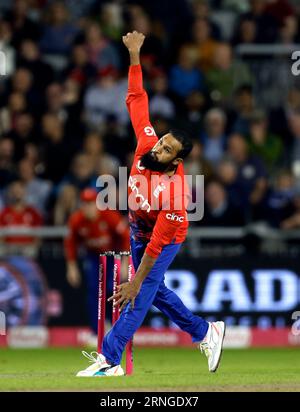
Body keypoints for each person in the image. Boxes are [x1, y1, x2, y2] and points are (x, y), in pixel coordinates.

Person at [77, 31, 225, 377]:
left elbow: (156, 248)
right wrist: (133, 55)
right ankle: (206, 332)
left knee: (140, 292)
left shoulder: (176, 194)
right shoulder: (147, 145)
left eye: (166, 149)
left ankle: (110, 359)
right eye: (162, 142)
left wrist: (134, 281)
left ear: (176, 162)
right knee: (154, 291)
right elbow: (136, 99)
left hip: (164, 238)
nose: (158, 148)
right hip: (137, 227)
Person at [64, 188, 130, 335]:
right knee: (94, 291)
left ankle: (118, 329)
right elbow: (70, 243)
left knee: (114, 289)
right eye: (85, 204)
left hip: (114, 255)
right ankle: (97, 331)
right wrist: (71, 267)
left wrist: (125, 263)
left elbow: (126, 237)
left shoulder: (110, 215)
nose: (88, 208)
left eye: (91, 204)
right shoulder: (77, 220)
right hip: (93, 257)